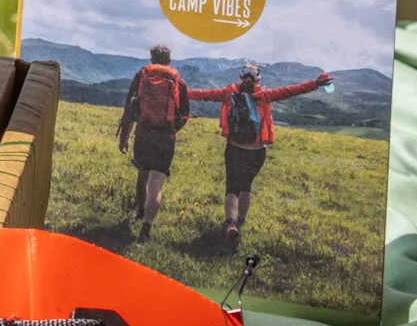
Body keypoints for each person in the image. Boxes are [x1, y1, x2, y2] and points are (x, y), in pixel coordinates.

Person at [188, 64, 332, 247]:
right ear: (259, 79)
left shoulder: (228, 92)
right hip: (257, 151)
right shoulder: (265, 95)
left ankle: (230, 224)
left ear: (241, 76)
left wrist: (181, 91)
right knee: (246, 185)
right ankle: (241, 222)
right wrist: (316, 83)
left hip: (234, 147)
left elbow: (203, 95)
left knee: (232, 187)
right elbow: (291, 91)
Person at [118, 43, 191, 243]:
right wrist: (172, 129)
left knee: (142, 175)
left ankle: (140, 211)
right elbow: (184, 114)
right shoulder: (178, 82)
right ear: (170, 60)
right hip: (165, 137)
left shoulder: (141, 76)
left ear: (152, 59)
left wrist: (124, 138)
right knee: (156, 183)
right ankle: (146, 229)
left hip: (144, 133)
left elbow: (129, 109)